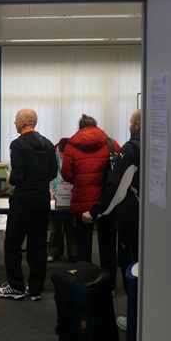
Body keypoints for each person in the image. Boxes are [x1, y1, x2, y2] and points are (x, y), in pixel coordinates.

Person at [83, 109, 141, 331]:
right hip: (152, 221)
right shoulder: (159, 145)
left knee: (131, 269)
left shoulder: (131, 148)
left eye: (130, 122)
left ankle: (135, 320)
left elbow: (117, 187)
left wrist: (95, 212)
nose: (128, 125)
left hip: (130, 220)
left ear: (137, 125)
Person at [0, 108, 57, 301]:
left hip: (23, 201)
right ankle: (36, 288)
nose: (14, 123)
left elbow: (17, 176)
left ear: (23, 122)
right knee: (38, 244)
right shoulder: (48, 144)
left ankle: (16, 287)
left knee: (12, 244)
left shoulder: (17, 144)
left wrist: (10, 178)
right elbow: (54, 172)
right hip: (42, 200)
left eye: (16, 120)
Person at [61, 114, 120, 266]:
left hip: (82, 199)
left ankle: (85, 276)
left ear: (80, 128)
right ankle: (108, 278)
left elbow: (66, 174)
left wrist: (81, 180)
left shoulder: (71, 146)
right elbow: (119, 171)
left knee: (83, 244)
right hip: (105, 201)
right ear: (95, 126)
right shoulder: (111, 144)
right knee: (108, 244)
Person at [48, 137, 78, 263]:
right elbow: (48, 174)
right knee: (55, 226)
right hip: (54, 191)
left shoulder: (74, 155)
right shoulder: (51, 155)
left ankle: (74, 253)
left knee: (71, 225)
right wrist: (50, 191)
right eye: (61, 154)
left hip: (70, 193)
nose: (62, 156)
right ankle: (54, 252)